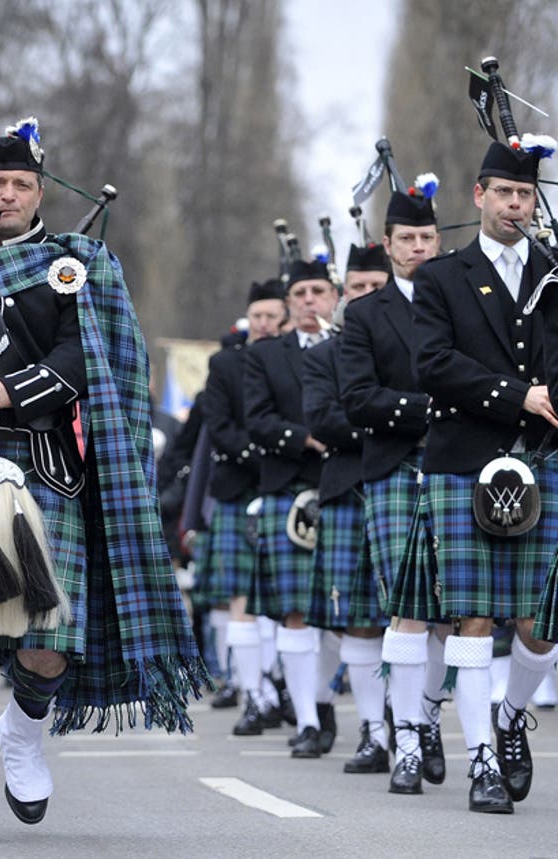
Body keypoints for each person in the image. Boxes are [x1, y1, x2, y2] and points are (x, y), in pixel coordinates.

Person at [0, 120, 205, 845]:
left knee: (47, 639)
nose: (7, 195)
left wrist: (6, 392)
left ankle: (22, 729)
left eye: (21, 184)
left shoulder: (75, 263)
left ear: (40, 191)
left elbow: (95, 357)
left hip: (41, 461)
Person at [411, 139, 558, 814]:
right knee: (473, 617)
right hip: (467, 455)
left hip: (544, 456)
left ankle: (509, 720)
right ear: (479, 196)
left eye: (525, 194)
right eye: (504, 193)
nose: (515, 204)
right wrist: (518, 394)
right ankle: (480, 762)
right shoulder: (443, 277)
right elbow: (433, 364)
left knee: (541, 623)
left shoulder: (555, 270)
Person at [341, 187, 448, 795]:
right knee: (408, 609)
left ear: (439, 241)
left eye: (426, 238)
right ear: (388, 246)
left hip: (459, 466)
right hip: (395, 467)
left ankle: (428, 718)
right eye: (405, 238)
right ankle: (405, 737)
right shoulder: (365, 314)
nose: (416, 247)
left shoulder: (463, 299)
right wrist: (433, 408)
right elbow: (359, 399)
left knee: (455, 615)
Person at [244, 258, 338, 758]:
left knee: (348, 614)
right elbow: (257, 420)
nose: (308, 300)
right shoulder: (267, 355)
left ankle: (322, 697)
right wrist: (305, 438)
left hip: (346, 485)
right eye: (299, 292)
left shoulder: (352, 343)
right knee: (296, 613)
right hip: (288, 486)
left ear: (333, 296)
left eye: (317, 291)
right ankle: (307, 718)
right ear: (288, 302)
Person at [301, 244, 389, 775]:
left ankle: (417, 728)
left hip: (411, 483)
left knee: (426, 619)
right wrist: (394, 426)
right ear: (340, 297)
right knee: (357, 622)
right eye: (355, 289)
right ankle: (375, 734)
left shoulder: (419, 339)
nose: (363, 298)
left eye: (373, 288)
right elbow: (325, 421)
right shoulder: (321, 357)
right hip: (349, 488)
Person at [198, 278, 287, 735]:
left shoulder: (294, 356)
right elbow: (220, 425)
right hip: (240, 488)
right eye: (259, 317)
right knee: (241, 598)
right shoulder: (224, 364)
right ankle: (252, 693)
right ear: (248, 320)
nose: (265, 324)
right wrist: (266, 453)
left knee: (286, 597)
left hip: (286, 488)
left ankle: (279, 688)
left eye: (273, 316)